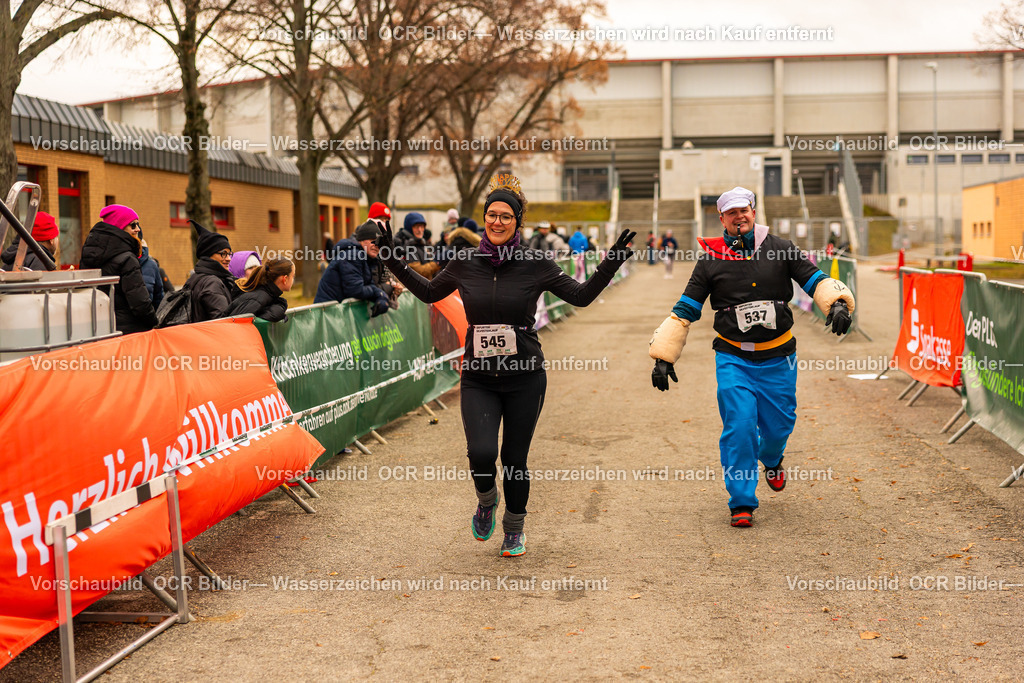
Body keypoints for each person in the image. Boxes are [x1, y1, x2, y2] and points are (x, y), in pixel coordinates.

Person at [376, 173, 636, 557]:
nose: (497, 222)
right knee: (481, 453)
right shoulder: (466, 262)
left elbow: (580, 296)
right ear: (484, 218)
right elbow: (429, 292)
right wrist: (391, 259)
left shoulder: (535, 263)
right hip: (479, 377)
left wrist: (610, 262)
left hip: (525, 377)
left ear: (517, 221)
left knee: (514, 459)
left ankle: (514, 529)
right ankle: (486, 500)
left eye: (506, 216)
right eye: (492, 215)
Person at [648, 187, 854, 528]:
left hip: (779, 358)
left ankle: (771, 459)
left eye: (743, 210)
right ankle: (742, 501)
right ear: (722, 219)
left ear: (753, 212)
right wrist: (663, 356)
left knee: (779, 427)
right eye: (731, 212)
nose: (739, 216)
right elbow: (686, 308)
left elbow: (814, 278)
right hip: (733, 359)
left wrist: (838, 303)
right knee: (740, 426)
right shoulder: (710, 259)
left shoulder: (781, 248)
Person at [79, 205, 157, 333]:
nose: (137, 229)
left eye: (138, 225)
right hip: (129, 331)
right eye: (133, 225)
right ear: (120, 227)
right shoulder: (128, 259)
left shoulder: (88, 254)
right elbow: (140, 303)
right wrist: (154, 322)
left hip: (98, 328)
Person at [313, 220, 392, 317]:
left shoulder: (366, 258)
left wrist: (381, 296)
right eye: (372, 240)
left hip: (336, 313)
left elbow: (368, 285)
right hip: (327, 315)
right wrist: (378, 293)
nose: (376, 245)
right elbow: (355, 290)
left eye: (379, 242)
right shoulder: (352, 255)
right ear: (361, 240)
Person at [184, 219, 236, 322]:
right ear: (209, 255)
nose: (228, 258)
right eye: (223, 254)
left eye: (229, 254)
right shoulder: (212, 282)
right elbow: (223, 321)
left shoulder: (195, 277)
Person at [228, 258, 295, 322]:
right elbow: (235, 323)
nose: (293, 279)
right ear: (285, 279)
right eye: (293, 276)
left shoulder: (268, 296)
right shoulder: (257, 298)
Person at [394, 211, 440, 279]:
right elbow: (418, 272)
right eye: (416, 227)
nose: (420, 230)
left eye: (422, 226)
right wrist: (438, 263)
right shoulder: (406, 246)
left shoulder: (422, 243)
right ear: (409, 228)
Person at [138, 234, 165, 309]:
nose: (136, 230)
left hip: (148, 314)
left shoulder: (151, 265)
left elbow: (159, 296)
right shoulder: (119, 261)